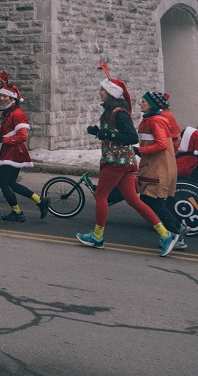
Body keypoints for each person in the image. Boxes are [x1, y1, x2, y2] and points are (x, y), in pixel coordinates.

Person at [76, 65, 179, 257]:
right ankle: (166, 235)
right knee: (133, 200)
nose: (99, 93)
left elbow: (130, 137)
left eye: (102, 90)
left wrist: (106, 133)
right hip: (123, 161)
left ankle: (97, 237)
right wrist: (98, 132)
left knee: (101, 195)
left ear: (110, 93)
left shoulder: (118, 112)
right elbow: (115, 134)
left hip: (117, 161)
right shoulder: (113, 112)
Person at [0, 74, 49, 221]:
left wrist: (3, 138)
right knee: (10, 183)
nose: (2, 98)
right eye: (1, 95)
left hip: (14, 153)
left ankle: (18, 213)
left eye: (5, 96)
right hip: (10, 152)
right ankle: (40, 201)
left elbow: (23, 136)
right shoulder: (10, 112)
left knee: (4, 183)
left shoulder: (17, 114)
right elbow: (11, 131)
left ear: (13, 98)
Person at [136, 91, 185, 245]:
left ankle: (176, 232)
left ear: (151, 104)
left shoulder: (155, 121)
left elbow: (161, 145)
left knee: (153, 201)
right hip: (153, 165)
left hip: (157, 167)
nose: (140, 104)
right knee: (148, 199)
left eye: (143, 101)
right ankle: (177, 230)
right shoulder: (151, 120)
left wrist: (140, 151)